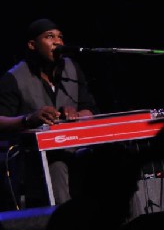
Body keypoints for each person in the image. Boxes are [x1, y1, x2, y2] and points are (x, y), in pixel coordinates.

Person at [0, 18, 99, 206]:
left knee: (109, 158)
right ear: (32, 45)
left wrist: (78, 115)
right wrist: (28, 119)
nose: (58, 42)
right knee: (57, 163)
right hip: (34, 156)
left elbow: (90, 109)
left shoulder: (72, 68)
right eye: (49, 36)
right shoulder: (13, 77)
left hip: (77, 148)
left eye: (60, 37)